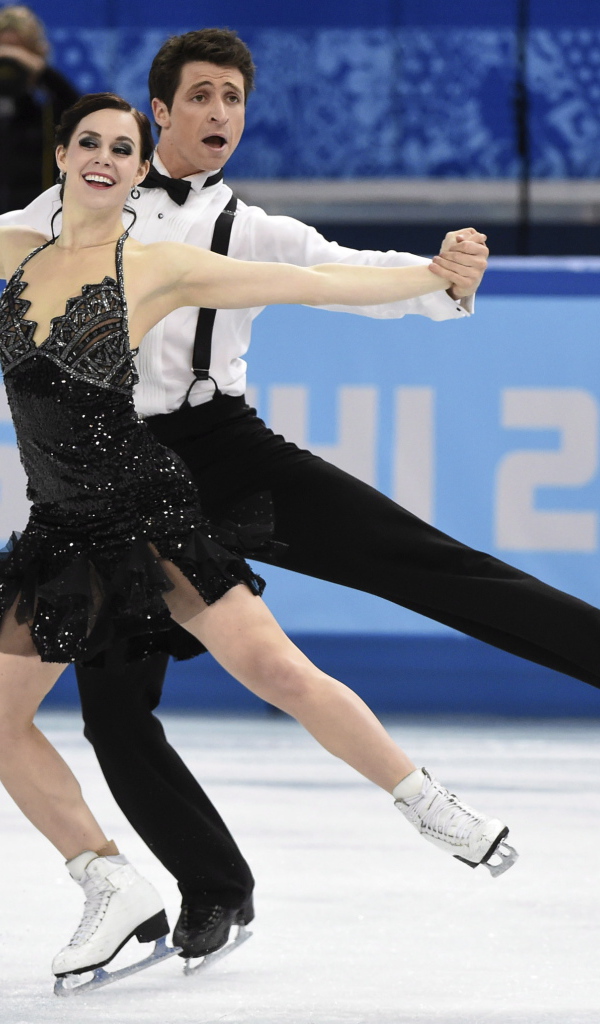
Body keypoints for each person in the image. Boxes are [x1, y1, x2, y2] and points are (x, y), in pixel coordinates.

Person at [4, 28, 600, 965]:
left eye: (233, 99)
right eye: (200, 96)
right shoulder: (54, 212)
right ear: (158, 112)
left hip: (225, 453)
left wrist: (439, 280)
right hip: (97, 483)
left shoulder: (250, 229)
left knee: (418, 562)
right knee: (114, 711)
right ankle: (212, 890)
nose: (219, 114)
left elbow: (333, 272)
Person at [0, 5, 79, 211]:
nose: (9, 60)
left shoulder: (49, 103)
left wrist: (39, 71)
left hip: (38, 214)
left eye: (19, 50)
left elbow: (80, 111)